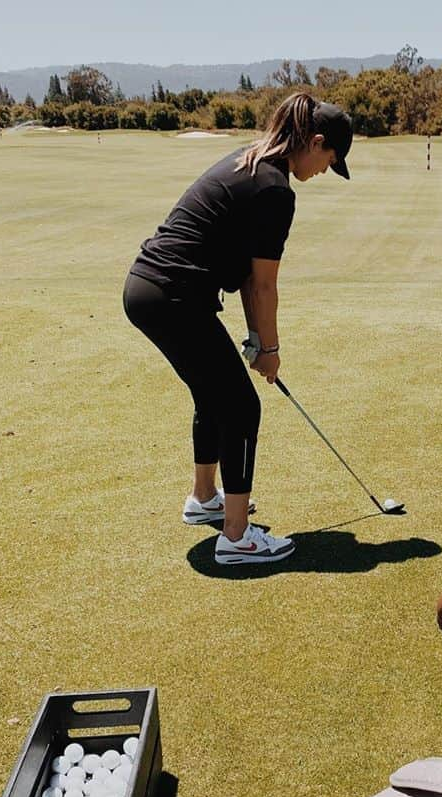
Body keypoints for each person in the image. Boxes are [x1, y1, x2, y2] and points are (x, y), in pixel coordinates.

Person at [123, 92, 353, 565]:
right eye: (331, 159)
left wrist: (257, 339)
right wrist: (268, 347)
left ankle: (205, 499)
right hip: (173, 296)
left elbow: (250, 279)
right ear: (314, 142)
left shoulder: (250, 161)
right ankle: (236, 536)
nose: (326, 170)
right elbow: (264, 284)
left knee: (215, 396)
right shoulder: (274, 189)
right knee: (241, 405)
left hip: (150, 289)